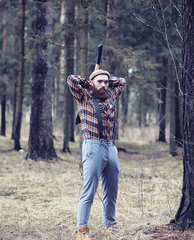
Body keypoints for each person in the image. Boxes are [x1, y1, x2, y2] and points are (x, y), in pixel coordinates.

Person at [67, 69, 126, 240]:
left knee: (112, 190)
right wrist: (89, 84)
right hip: (93, 147)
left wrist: (105, 79)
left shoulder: (111, 96)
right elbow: (71, 79)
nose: (104, 85)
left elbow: (121, 81)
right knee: (89, 190)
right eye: (100, 81)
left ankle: (110, 225)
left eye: (106, 82)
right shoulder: (84, 97)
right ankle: (82, 229)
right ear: (92, 83)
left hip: (110, 147)